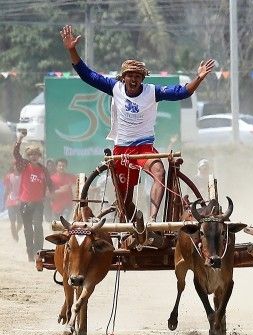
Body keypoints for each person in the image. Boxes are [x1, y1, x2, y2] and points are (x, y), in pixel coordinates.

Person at [60, 25, 215, 221]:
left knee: (159, 170)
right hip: (121, 151)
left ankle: (151, 221)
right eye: (130, 76)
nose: (133, 80)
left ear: (142, 79)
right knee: (125, 201)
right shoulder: (114, 87)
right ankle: (136, 222)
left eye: (137, 77)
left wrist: (198, 78)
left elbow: (182, 92)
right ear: (123, 78)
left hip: (144, 149)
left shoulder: (152, 91)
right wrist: (71, 49)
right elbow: (86, 75)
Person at [13, 134, 53, 262]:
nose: (33, 156)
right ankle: (30, 252)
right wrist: (19, 141)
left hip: (38, 204)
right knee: (28, 229)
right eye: (31, 155)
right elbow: (16, 155)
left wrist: (51, 193)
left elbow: (50, 183)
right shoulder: (24, 166)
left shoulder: (43, 169)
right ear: (28, 157)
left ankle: (38, 252)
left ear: (39, 156)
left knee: (38, 227)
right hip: (25, 203)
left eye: (36, 154)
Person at [3, 160, 23, 242]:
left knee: (20, 222)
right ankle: (14, 234)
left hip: (21, 201)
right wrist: (4, 200)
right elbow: (6, 190)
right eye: (16, 165)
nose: (17, 167)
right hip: (10, 200)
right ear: (13, 166)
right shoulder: (8, 177)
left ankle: (16, 232)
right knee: (12, 221)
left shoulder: (23, 176)